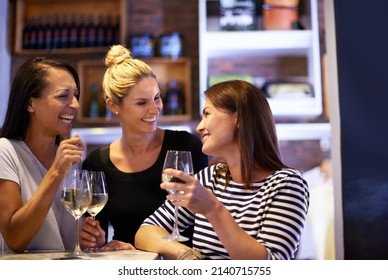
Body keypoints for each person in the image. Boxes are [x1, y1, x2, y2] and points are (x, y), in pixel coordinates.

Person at [135, 80, 310, 260]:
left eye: (207, 114)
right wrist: (186, 254)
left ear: (239, 118)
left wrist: (213, 209)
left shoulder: (287, 185)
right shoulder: (209, 178)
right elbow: (146, 231)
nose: (199, 127)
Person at [79, 45, 208, 250]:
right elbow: (97, 239)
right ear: (113, 105)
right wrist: (93, 240)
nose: (154, 109)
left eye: (156, 98)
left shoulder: (186, 147)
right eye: (141, 103)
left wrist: (141, 251)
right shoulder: (97, 164)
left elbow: (208, 225)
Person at [0, 57, 85, 253]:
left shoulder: (70, 158)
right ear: (30, 103)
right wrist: (55, 172)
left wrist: (88, 238)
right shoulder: (5, 151)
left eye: (76, 95)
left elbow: (65, 241)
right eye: (63, 96)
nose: (75, 105)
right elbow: (15, 238)